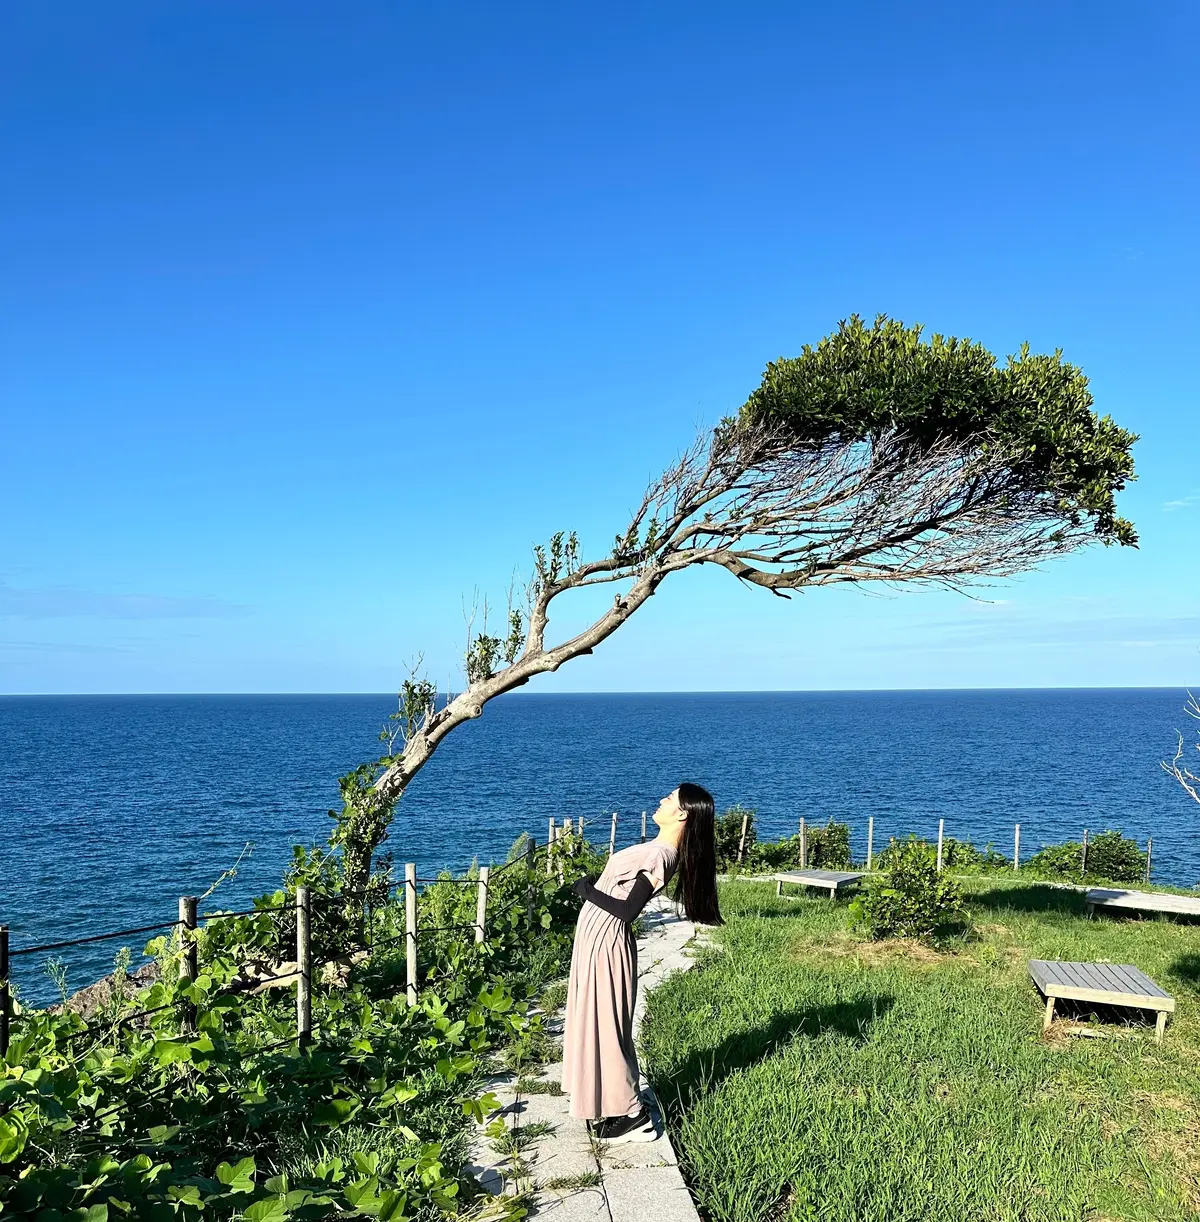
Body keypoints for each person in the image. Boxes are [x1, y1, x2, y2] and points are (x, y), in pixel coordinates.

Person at [561, 782, 723, 1143]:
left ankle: (633, 1114)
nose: (662, 800)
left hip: (607, 941)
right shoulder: (659, 849)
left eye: (669, 798)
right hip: (597, 939)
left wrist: (586, 889)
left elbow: (628, 910)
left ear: (681, 813)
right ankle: (613, 1099)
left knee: (606, 1025)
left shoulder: (661, 856)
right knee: (599, 1021)